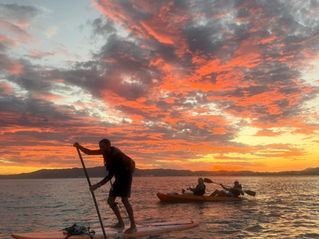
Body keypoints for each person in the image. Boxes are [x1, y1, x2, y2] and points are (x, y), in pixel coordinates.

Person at [73, 139, 136, 233]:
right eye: (100, 147)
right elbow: (90, 152)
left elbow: (109, 176)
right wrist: (79, 146)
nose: (101, 149)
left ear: (108, 146)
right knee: (110, 201)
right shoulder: (105, 151)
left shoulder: (116, 156)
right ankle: (121, 223)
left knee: (124, 200)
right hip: (118, 176)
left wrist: (97, 186)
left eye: (103, 146)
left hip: (126, 175)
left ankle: (133, 226)